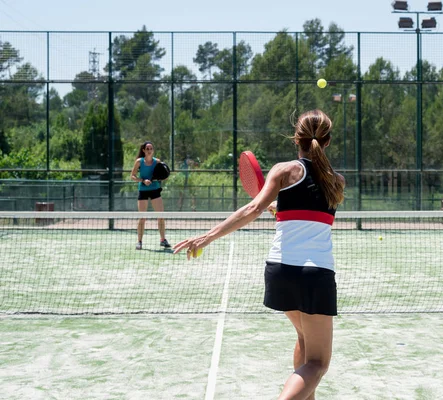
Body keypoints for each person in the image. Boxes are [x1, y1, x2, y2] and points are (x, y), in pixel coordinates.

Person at [174, 109, 345, 399]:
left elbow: (254, 209)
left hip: (279, 271)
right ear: (327, 141)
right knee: (318, 363)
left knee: (305, 341)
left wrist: (207, 236)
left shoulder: (283, 171)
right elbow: (316, 216)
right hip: (315, 275)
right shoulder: (337, 182)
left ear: (296, 140)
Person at [130, 141, 171, 250]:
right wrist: (143, 180)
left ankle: (163, 240)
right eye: (147, 149)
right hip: (143, 190)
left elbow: (163, 174)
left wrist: (160, 178)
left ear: (153, 150)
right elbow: (132, 176)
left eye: (151, 148)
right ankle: (139, 241)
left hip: (155, 190)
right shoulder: (139, 162)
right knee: (142, 217)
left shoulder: (157, 162)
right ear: (143, 150)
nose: (149, 150)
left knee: (161, 216)